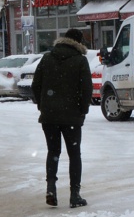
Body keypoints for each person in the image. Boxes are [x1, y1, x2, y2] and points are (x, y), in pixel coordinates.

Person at [29, 28, 92, 207]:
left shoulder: (47, 58)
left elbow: (36, 85)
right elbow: (86, 90)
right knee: (74, 155)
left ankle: (51, 188)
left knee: (53, 152)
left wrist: (43, 105)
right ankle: (75, 195)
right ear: (79, 43)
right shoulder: (80, 61)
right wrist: (82, 110)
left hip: (49, 117)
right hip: (72, 117)